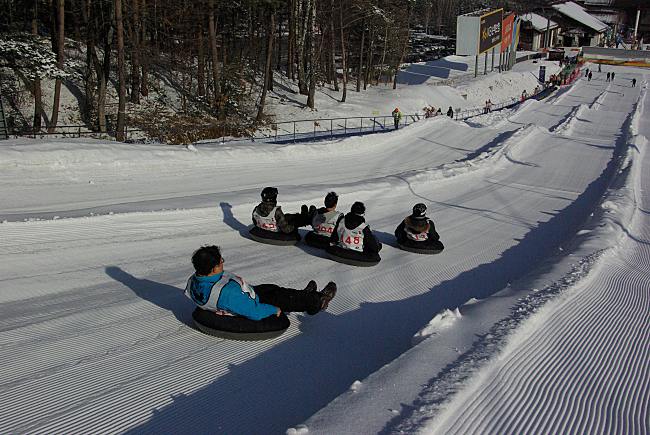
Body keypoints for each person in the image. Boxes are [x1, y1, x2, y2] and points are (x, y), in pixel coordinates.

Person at [185, 246, 337, 321]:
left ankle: (303, 295)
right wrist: (273, 310)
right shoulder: (227, 294)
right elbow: (254, 311)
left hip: (244, 293)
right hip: (248, 302)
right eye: (220, 262)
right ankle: (317, 302)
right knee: (282, 298)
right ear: (212, 269)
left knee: (272, 288)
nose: (223, 263)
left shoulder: (195, 279)